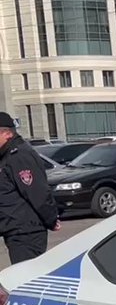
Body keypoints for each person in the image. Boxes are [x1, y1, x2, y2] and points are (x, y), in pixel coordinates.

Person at [0, 112, 59, 264]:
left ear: (6, 133)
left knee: (27, 280)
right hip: (16, 230)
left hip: (27, 232)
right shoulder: (7, 155)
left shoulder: (19, 156)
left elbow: (37, 192)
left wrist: (51, 219)